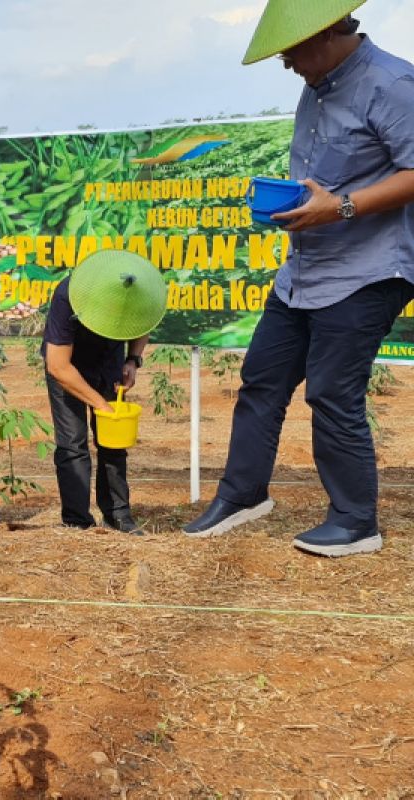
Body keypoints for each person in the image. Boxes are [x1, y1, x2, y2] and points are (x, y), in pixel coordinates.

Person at [184, 4, 414, 556]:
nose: (287, 64)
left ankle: (356, 521)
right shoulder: (317, 83)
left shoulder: (393, 84)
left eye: (291, 51)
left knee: (333, 391)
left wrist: (340, 209)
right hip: (305, 269)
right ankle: (242, 495)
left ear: (329, 32)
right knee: (261, 379)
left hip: (370, 268)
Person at [42, 250, 165, 535]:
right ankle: (77, 520)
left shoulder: (140, 293)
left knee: (113, 440)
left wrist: (133, 359)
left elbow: (143, 322)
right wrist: (101, 404)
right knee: (73, 443)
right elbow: (58, 366)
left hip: (108, 363)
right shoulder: (67, 296)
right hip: (69, 367)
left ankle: (118, 514)